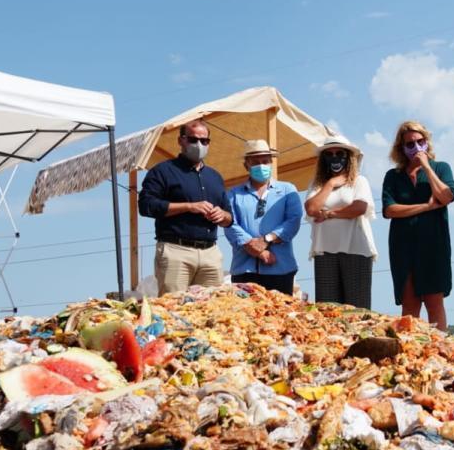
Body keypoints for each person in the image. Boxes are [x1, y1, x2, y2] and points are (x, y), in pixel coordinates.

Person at [138, 118, 232, 295]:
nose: (199, 145)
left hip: (210, 252)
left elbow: (230, 217)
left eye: (204, 141)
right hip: (176, 251)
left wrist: (222, 216)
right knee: (173, 309)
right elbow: (146, 206)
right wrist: (188, 206)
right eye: (193, 139)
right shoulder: (162, 172)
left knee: (213, 311)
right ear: (181, 140)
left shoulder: (215, 177)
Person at [381, 121, 454, 330]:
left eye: (419, 141)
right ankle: (411, 350)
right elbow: (389, 209)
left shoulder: (441, 168)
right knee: (410, 305)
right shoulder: (393, 176)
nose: (415, 147)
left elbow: (446, 196)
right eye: (410, 144)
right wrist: (426, 207)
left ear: (427, 142)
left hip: (434, 246)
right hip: (403, 247)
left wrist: (426, 167)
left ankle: (441, 351)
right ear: (401, 148)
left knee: (434, 303)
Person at [304, 136, 377, 308]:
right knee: (328, 310)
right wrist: (330, 184)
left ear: (348, 157)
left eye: (339, 153)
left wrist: (329, 214)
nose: (335, 157)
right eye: (329, 154)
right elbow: (311, 209)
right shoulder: (317, 184)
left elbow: (359, 208)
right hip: (325, 251)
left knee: (357, 310)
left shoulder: (359, 181)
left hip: (356, 249)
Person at [224, 140, 303, 295]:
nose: (261, 165)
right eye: (255, 162)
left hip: (281, 268)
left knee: (280, 314)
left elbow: (293, 220)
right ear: (246, 165)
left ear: (271, 163)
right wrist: (255, 249)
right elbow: (230, 224)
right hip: (244, 269)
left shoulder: (287, 190)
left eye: (265, 161)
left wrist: (267, 239)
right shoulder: (233, 194)